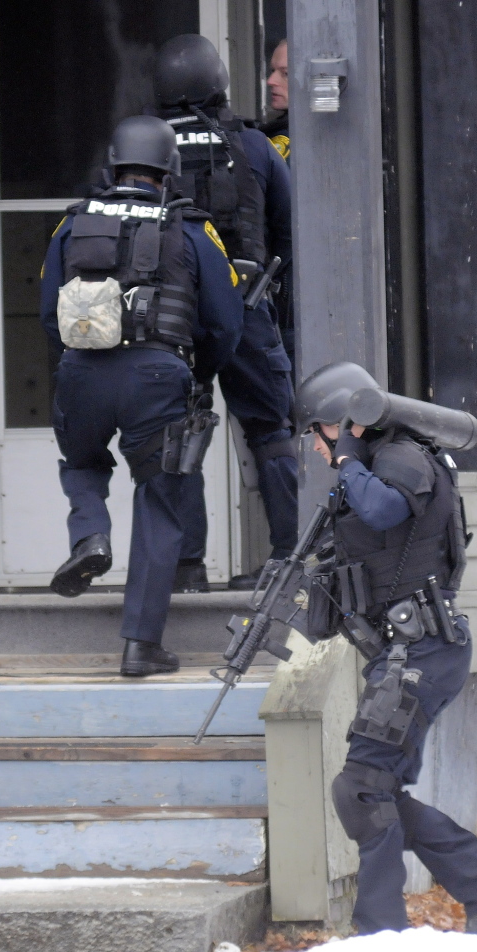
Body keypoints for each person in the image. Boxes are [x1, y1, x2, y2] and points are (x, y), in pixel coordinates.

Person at [295, 361, 477, 936]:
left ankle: (380, 930)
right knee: (372, 789)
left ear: (344, 424)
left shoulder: (400, 458)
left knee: (360, 787)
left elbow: (384, 510)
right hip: (406, 652)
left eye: (317, 433)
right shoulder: (373, 468)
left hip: (422, 651)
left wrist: (349, 461)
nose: (314, 446)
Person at [41, 116, 244, 676]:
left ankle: (91, 534)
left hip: (81, 372)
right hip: (157, 377)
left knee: (82, 462)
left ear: (113, 165)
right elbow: (226, 323)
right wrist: (201, 375)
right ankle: (140, 646)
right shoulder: (193, 229)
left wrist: (77, 365)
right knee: (159, 500)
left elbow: (45, 311)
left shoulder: (73, 223)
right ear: (169, 170)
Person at [152, 33, 297, 592]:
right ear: (217, 82)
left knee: (180, 432)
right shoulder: (254, 146)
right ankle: (289, 558)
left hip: (172, 317)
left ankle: (187, 567)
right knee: (271, 430)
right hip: (245, 305)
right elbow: (288, 229)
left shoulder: (145, 147)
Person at [258, 38, 294, 363]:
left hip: (295, 307)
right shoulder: (270, 136)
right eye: (272, 71)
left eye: (284, 73)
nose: (271, 81)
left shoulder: (291, 142)